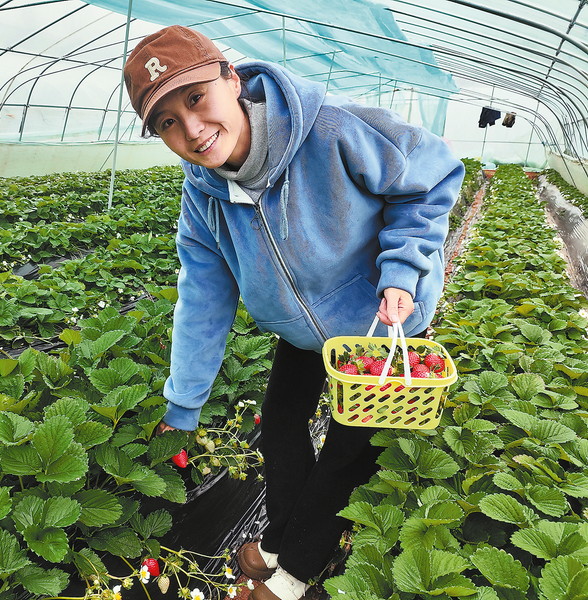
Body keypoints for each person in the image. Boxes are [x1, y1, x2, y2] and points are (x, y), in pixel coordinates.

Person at [123, 25, 464, 600]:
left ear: (232, 80)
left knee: (346, 451)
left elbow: (431, 176)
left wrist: (403, 270)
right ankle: (280, 539)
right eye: (167, 123)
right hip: (304, 332)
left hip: (380, 323)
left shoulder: (331, 128)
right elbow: (202, 296)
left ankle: (296, 573)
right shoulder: (203, 193)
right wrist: (183, 406)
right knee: (280, 425)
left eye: (197, 98)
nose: (193, 129)